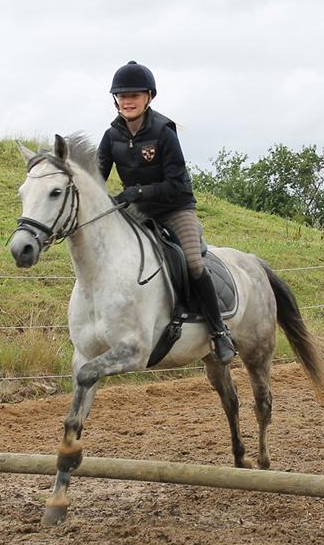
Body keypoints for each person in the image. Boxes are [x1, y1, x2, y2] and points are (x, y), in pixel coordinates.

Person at [97, 61, 237, 364]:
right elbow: (97, 176)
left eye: (134, 95)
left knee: (193, 263)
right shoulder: (111, 136)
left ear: (149, 97)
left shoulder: (164, 131)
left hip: (175, 207)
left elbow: (175, 183)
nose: (127, 101)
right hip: (138, 212)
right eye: (122, 95)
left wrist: (139, 192)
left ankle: (219, 332)